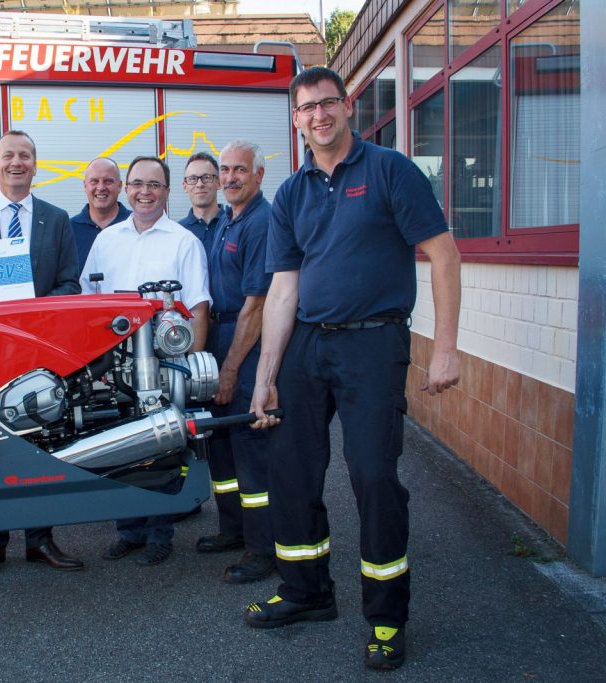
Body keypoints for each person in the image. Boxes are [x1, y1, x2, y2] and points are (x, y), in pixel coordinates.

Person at [245, 67, 461, 671]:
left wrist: (445, 348)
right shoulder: (290, 193)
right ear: (295, 121)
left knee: (371, 475)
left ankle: (387, 617)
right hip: (307, 346)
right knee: (290, 470)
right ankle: (305, 592)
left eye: (328, 103)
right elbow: (283, 289)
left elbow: (443, 254)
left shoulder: (390, 170)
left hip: (374, 343)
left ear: (348, 107)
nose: (319, 115)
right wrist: (266, 374)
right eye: (306, 108)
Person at [0, 129, 84, 578]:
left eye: (25, 155)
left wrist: (36, 315)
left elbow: (69, 283)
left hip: (39, 349)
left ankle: (40, 539)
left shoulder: (55, 218)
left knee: (43, 440)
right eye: (8, 156)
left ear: (35, 164)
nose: (16, 163)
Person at [81, 155, 211, 566]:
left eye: (153, 185)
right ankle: (129, 531)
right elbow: (86, 301)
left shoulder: (183, 241)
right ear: (126, 188)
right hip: (114, 365)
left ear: (167, 192)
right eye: (136, 184)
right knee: (120, 446)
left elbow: (200, 306)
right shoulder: (107, 240)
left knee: (162, 447)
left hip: (165, 363)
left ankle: (160, 534)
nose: (144, 192)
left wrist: (191, 370)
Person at [196, 140, 276, 585]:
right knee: (221, 448)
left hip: (242, 346)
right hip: (218, 337)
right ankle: (233, 529)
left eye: (239, 170)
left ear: (258, 175)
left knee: (250, 452)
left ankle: (263, 549)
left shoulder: (260, 222)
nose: (229, 178)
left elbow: (257, 305)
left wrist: (229, 370)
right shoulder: (229, 219)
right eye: (224, 170)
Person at [70, 157, 131, 266]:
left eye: (108, 181)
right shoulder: (68, 230)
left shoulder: (136, 224)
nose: (101, 187)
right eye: (94, 181)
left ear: (120, 186)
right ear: (85, 185)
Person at [178, 152, 223, 250]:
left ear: (219, 183)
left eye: (206, 177)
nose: (199, 184)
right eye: (192, 179)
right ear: (185, 186)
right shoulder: (177, 232)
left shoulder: (233, 225)